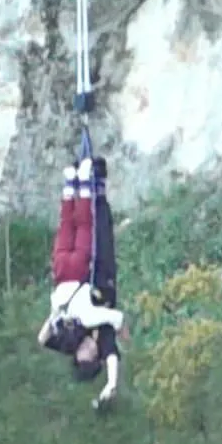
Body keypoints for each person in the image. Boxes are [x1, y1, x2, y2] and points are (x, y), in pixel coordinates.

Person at [37, 156, 127, 408]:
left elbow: (43, 339)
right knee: (99, 228)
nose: (92, 350)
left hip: (78, 274)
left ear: (77, 356)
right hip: (102, 275)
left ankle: (80, 184)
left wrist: (55, 314)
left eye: (87, 355)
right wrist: (111, 385)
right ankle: (95, 183)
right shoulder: (102, 337)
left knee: (78, 228)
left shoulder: (70, 339)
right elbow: (112, 357)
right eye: (93, 355)